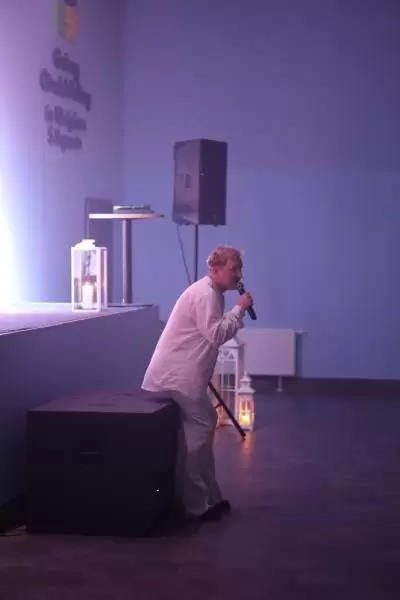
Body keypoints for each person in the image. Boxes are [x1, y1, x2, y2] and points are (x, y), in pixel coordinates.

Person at [141, 246, 253, 522]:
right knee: (200, 432)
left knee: (203, 427)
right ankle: (196, 506)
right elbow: (216, 335)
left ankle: (210, 498)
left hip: (179, 375)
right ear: (215, 270)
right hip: (179, 377)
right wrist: (239, 310)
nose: (239, 275)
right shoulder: (206, 295)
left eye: (239, 268)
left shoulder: (210, 293)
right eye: (234, 269)